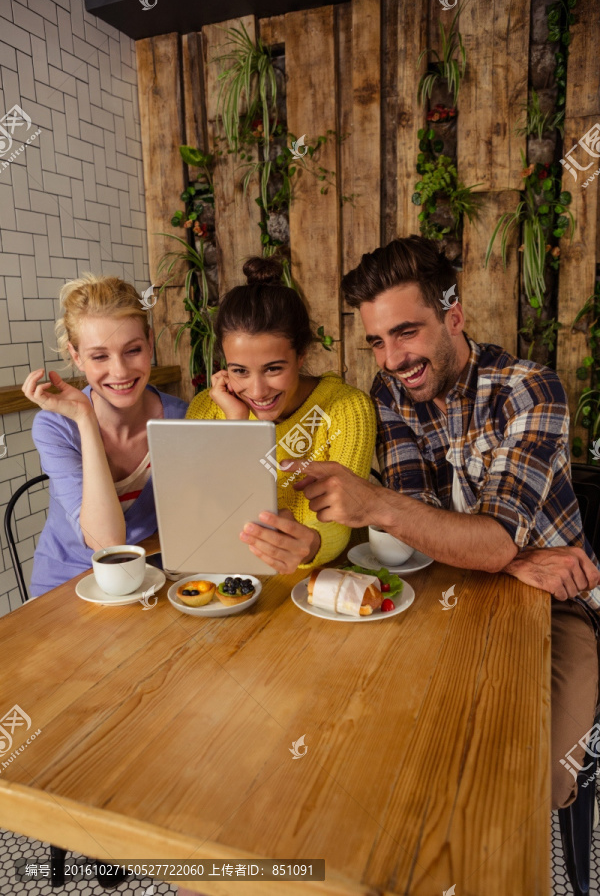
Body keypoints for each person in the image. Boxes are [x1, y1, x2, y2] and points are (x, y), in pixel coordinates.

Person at [280, 235, 600, 811]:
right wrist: (508, 553)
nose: (392, 359)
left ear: (454, 316)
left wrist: (378, 505)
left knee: (526, 782)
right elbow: (421, 530)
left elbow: (432, 523)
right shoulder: (391, 393)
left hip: (554, 606)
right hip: (447, 588)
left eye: (407, 332)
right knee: (368, 745)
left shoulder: (530, 390)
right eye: (377, 341)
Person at [185, 255, 377, 574]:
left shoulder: (347, 408)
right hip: (228, 573)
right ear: (225, 364)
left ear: (301, 355)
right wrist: (236, 424)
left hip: (316, 576)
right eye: (240, 371)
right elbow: (205, 513)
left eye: (273, 368)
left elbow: (339, 521)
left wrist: (312, 544)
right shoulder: (207, 408)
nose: (258, 391)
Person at [23, 273, 187, 597]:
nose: (121, 371)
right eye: (99, 356)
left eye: (133, 350)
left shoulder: (181, 419)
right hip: (63, 590)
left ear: (150, 342)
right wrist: (85, 418)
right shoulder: (56, 426)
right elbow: (107, 543)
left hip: (146, 580)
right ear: (76, 357)